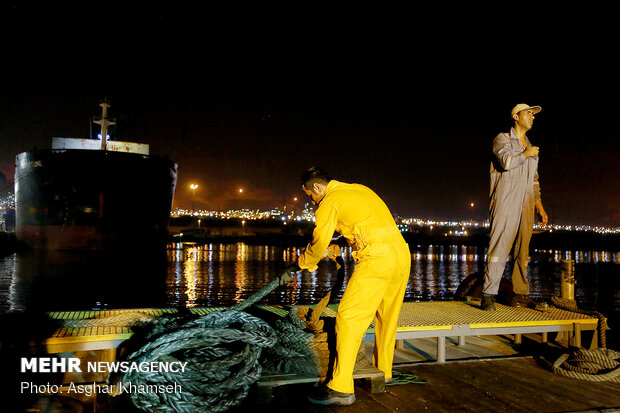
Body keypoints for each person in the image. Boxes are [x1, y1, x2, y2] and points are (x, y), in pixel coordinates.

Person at [279, 167, 411, 406]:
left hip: (376, 259)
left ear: (318, 188)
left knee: (349, 317)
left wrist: (298, 265)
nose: (312, 201)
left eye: (311, 196)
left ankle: (340, 389)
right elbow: (363, 226)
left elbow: (318, 244)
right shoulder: (358, 189)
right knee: (387, 316)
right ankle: (385, 372)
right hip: (401, 255)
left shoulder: (329, 202)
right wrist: (342, 243)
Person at [481, 104, 549, 311]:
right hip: (506, 201)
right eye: (528, 113)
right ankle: (488, 294)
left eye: (533, 114)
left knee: (523, 250)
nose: (532, 117)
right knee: (500, 246)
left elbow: (534, 180)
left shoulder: (530, 146)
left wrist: (539, 205)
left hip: (526, 203)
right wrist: (526, 154)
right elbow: (507, 162)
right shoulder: (502, 139)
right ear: (515, 116)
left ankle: (520, 294)